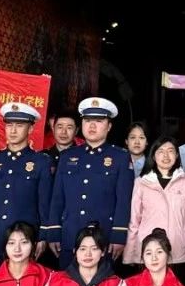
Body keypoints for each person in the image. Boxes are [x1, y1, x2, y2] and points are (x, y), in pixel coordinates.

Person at [43, 97, 134, 261]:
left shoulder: (120, 157)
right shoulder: (67, 156)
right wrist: (54, 230)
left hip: (103, 238)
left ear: (109, 126)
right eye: (87, 120)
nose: (92, 126)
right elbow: (57, 198)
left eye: (98, 121)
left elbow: (123, 201)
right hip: (70, 235)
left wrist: (119, 235)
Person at [0, 103, 52, 274]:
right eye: (9, 125)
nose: (13, 130)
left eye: (20, 125)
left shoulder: (41, 162)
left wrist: (43, 236)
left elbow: (44, 203)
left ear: (31, 129)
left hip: (25, 239)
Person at [125, 136, 185, 286]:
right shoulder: (141, 182)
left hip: (178, 250)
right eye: (161, 151)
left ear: (177, 155)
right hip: (149, 251)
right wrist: (131, 254)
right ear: (153, 155)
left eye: (170, 151)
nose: (166, 155)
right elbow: (134, 221)